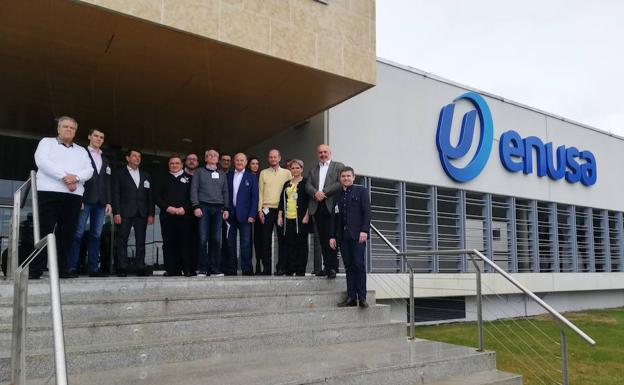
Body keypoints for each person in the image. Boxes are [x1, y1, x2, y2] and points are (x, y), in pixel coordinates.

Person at [33, 116, 94, 279]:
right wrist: (64, 177)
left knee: (67, 233)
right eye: (65, 127)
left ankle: (61, 269)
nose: (68, 130)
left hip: (73, 196)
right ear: (58, 129)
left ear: (75, 132)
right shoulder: (46, 142)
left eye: (72, 128)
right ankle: (36, 268)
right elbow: (42, 162)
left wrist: (76, 178)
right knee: (44, 230)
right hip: (48, 192)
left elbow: (89, 170)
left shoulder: (81, 151)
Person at [68, 128, 111, 277]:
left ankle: (93, 268)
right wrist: (77, 197)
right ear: (89, 137)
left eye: (102, 137)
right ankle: (71, 267)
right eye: (96, 136)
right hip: (84, 200)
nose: (99, 139)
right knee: (78, 234)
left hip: (100, 202)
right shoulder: (81, 154)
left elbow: (106, 182)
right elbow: (76, 175)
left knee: (96, 235)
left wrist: (109, 202)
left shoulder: (105, 159)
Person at [330, 167, 371, 308]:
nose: (346, 178)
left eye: (348, 176)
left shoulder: (362, 191)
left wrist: (364, 230)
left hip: (358, 235)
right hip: (343, 236)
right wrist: (332, 236)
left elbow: (367, 213)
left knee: (358, 264)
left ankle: (362, 297)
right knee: (348, 267)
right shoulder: (337, 195)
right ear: (340, 178)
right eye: (343, 176)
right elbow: (334, 218)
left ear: (354, 177)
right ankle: (351, 297)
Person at [112, 149, 155, 277]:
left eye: (139, 156)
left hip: (142, 212)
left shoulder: (146, 174)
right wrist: (116, 212)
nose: (137, 158)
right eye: (134, 156)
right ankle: (122, 267)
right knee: (122, 239)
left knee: (141, 241)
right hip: (124, 212)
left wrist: (151, 213)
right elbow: (116, 194)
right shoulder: (119, 173)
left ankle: (140, 266)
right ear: (127, 158)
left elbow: (150, 196)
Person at [305, 144, 345, 279]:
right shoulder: (313, 169)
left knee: (331, 237)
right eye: (320, 152)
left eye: (325, 152)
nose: (323, 154)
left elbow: (340, 182)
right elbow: (307, 185)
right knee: (322, 239)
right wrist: (315, 193)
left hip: (331, 205)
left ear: (330, 153)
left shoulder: (338, 166)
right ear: (318, 154)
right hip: (317, 206)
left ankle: (333, 267)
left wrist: (324, 192)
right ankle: (327, 266)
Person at [191, 149, 229, 277]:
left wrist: (226, 208)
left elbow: (225, 192)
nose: (212, 157)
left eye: (215, 156)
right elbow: (194, 189)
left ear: (218, 160)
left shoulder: (222, 174)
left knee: (216, 239)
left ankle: (214, 269)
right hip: (203, 207)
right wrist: (196, 206)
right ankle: (202, 268)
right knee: (203, 239)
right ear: (206, 158)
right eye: (210, 155)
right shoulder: (199, 172)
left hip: (218, 209)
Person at [155, 154, 193, 276]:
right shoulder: (161, 178)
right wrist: (168, 208)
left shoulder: (190, 179)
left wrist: (184, 209)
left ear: (182, 165)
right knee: (169, 244)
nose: (174, 165)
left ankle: (187, 268)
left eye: (177, 163)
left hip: (185, 217)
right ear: (169, 165)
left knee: (185, 243)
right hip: (167, 217)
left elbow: (193, 197)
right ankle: (171, 270)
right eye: (172, 163)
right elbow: (156, 196)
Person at [257, 149, 291, 275]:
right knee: (265, 240)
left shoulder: (287, 173)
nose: (273, 159)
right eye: (270, 157)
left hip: (281, 210)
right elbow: (260, 192)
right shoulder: (263, 173)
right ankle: (266, 269)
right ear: (268, 159)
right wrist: (259, 210)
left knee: (283, 239)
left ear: (279, 158)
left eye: (275, 157)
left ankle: (281, 267)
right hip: (266, 209)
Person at [226, 153, 259, 275]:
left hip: (246, 216)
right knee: (230, 243)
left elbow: (255, 197)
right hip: (230, 215)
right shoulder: (228, 176)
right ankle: (231, 269)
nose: (239, 162)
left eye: (242, 160)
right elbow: (225, 194)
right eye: (237, 160)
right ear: (234, 162)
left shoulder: (251, 177)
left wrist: (252, 214)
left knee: (246, 243)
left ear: (246, 162)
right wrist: (225, 209)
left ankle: (247, 269)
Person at [277, 159, 310, 276]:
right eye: (293, 168)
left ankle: (300, 269)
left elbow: (309, 201)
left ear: (301, 169)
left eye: (297, 168)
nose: (295, 170)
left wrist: (307, 215)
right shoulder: (287, 183)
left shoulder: (306, 182)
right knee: (289, 244)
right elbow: (282, 201)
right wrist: (280, 216)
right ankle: (291, 268)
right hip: (288, 218)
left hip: (300, 219)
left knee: (301, 244)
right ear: (290, 169)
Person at [184, 152, 200, 274]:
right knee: (185, 242)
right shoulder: (180, 176)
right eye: (189, 159)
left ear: (198, 163)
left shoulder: (200, 176)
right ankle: (184, 267)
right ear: (186, 161)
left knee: (198, 241)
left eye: (194, 159)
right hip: (183, 214)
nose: (192, 161)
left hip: (199, 214)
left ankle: (195, 267)